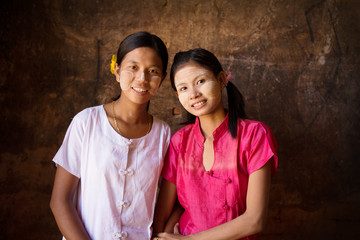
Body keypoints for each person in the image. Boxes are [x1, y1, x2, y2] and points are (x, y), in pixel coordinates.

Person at [50, 31, 171, 240]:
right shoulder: (87, 122)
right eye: (133, 67)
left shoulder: (164, 134)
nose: (142, 79)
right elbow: (60, 201)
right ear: (116, 70)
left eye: (152, 71)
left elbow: (170, 201)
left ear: (162, 79)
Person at [152, 48, 278, 240]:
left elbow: (255, 220)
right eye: (183, 88)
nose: (193, 94)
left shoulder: (254, 135)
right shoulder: (180, 142)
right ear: (178, 95)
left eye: (200, 81)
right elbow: (165, 210)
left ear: (221, 80)